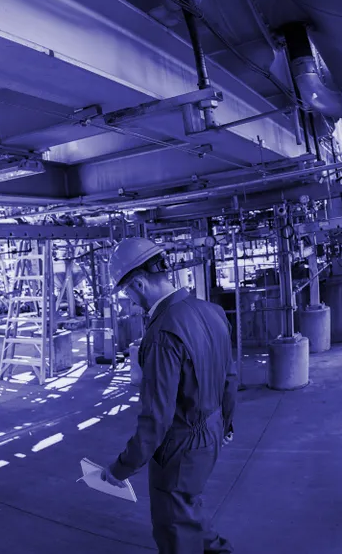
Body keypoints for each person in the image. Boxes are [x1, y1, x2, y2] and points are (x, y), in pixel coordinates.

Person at [98, 237, 239, 554]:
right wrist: (226, 424)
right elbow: (230, 376)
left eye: (129, 293)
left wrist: (122, 467)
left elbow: (156, 419)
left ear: (138, 283)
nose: (132, 302)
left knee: (174, 529)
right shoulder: (212, 311)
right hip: (213, 430)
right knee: (188, 504)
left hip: (181, 448)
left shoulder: (163, 332)